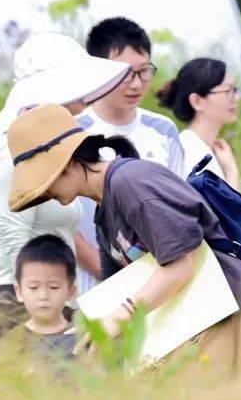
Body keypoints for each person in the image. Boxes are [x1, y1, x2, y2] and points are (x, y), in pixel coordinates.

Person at [6, 104, 241, 375]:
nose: (46, 193)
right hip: (181, 329)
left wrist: (122, 315)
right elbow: (115, 289)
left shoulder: (131, 184)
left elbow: (180, 266)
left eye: (45, 182)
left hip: (217, 318)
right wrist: (63, 349)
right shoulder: (104, 209)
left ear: (68, 164)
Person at [0, 34, 131, 339]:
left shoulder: (44, 146)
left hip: (49, 298)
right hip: (14, 301)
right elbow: (14, 234)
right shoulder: (15, 147)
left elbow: (66, 233)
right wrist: (40, 309)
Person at [74, 17, 184, 292]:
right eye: (125, 73)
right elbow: (64, 221)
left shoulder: (164, 130)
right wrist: (113, 277)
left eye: (144, 71)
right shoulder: (74, 131)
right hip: (89, 284)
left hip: (155, 285)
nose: (136, 84)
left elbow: (175, 207)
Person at [157, 58, 241, 189]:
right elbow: (228, 209)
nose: (236, 97)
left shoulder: (204, 148)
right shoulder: (189, 153)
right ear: (197, 101)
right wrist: (232, 171)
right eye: (228, 91)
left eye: (235, 90)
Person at [8, 234, 80, 359]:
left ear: (71, 292)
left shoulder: (81, 335)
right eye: (34, 287)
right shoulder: (12, 341)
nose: (43, 296)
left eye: (53, 287)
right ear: (19, 291)